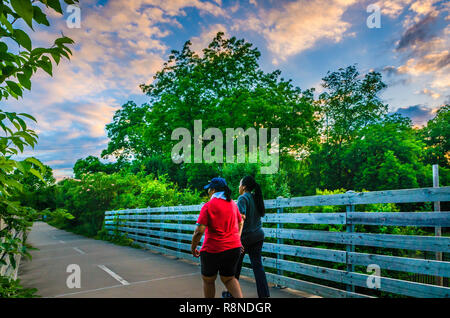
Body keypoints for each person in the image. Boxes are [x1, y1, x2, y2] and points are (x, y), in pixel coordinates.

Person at [191, 177, 245, 298]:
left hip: (213, 250)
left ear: (213, 190)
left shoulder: (208, 206)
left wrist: (193, 247)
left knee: (208, 280)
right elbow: (240, 222)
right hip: (233, 249)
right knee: (229, 279)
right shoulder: (233, 204)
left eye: (209, 189)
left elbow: (199, 231)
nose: (208, 192)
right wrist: (237, 240)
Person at [223, 175, 270, 298]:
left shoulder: (242, 198)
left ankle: (231, 294)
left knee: (235, 267)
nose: (238, 187)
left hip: (245, 238)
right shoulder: (256, 198)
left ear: (243, 187)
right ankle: (264, 296)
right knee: (258, 267)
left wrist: (237, 240)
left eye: (239, 184)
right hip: (258, 236)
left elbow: (241, 219)